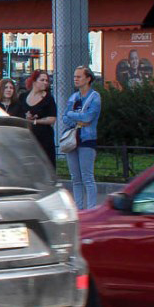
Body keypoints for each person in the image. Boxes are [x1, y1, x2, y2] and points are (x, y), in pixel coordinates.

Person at [62, 65, 102, 210]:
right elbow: (65, 118)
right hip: (72, 139)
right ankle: (79, 209)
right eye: (74, 76)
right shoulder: (73, 97)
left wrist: (73, 116)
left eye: (79, 76)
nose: (76, 79)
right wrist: (77, 119)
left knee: (87, 177)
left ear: (88, 78)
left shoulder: (94, 97)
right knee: (75, 178)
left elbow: (88, 117)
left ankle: (91, 209)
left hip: (86, 140)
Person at [10, 69, 57, 164]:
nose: (45, 82)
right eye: (42, 80)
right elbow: (17, 113)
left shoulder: (49, 98)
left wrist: (36, 121)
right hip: (26, 137)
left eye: (47, 80)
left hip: (44, 138)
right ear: (34, 81)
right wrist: (25, 117)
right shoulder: (23, 96)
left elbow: (52, 118)